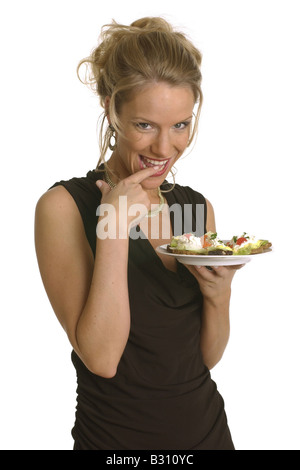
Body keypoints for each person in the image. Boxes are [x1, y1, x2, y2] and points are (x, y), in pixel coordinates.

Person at [35, 17, 241, 450]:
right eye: (146, 125)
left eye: (180, 125)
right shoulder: (64, 209)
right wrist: (111, 229)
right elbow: (103, 358)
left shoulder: (194, 210)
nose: (165, 149)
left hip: (209, 436)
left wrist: (218, 295)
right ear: (112, 108)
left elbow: (205, 359)